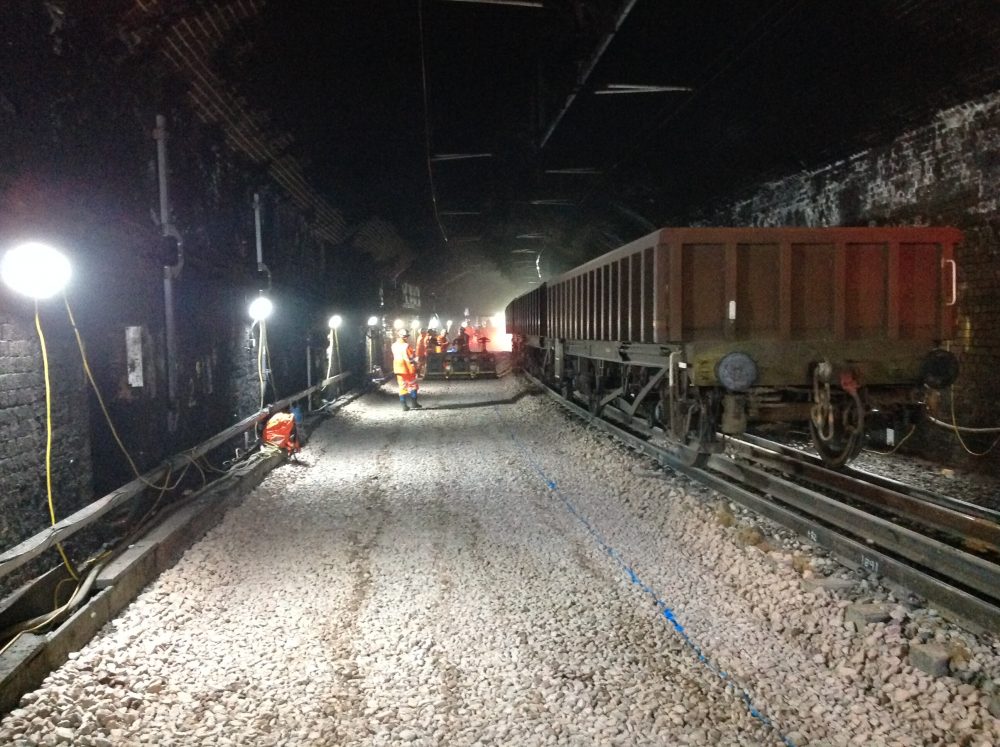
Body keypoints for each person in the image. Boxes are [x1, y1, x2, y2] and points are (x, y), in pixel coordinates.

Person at [391, 329, 422, 411]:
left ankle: (404, 405)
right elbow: (411, 358)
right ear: (405, 337)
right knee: (413, 385)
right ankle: (414, 403)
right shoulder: (406, 346)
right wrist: (416, 364)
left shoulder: (393, 345)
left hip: (398, 368)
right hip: (408, 368)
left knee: (402, 386)